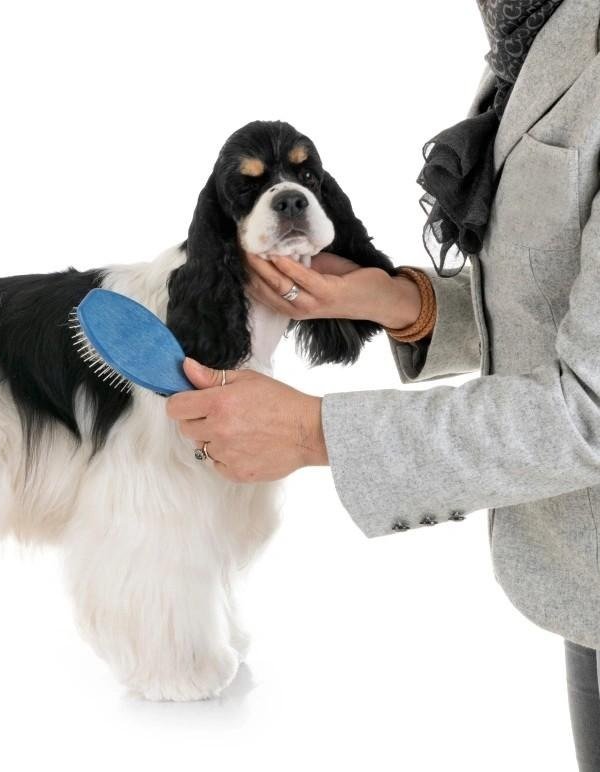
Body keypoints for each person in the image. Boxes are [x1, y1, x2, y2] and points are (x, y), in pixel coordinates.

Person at [165, 0, 600, 767]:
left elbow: (590, 412)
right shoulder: (538, 23)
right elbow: (571, 301)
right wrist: (410, 305)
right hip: (582, 579)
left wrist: (314, 432)